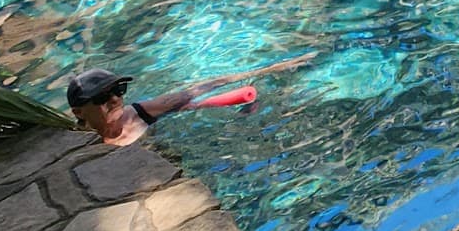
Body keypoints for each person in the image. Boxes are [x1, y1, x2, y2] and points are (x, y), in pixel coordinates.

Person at [67, 57, 314, 148]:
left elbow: (195, 91)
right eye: (101, 97)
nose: (114, 99)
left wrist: (271, 69)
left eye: (118, 90)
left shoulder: (139, 113)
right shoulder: (81, 146)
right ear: (79, 111)